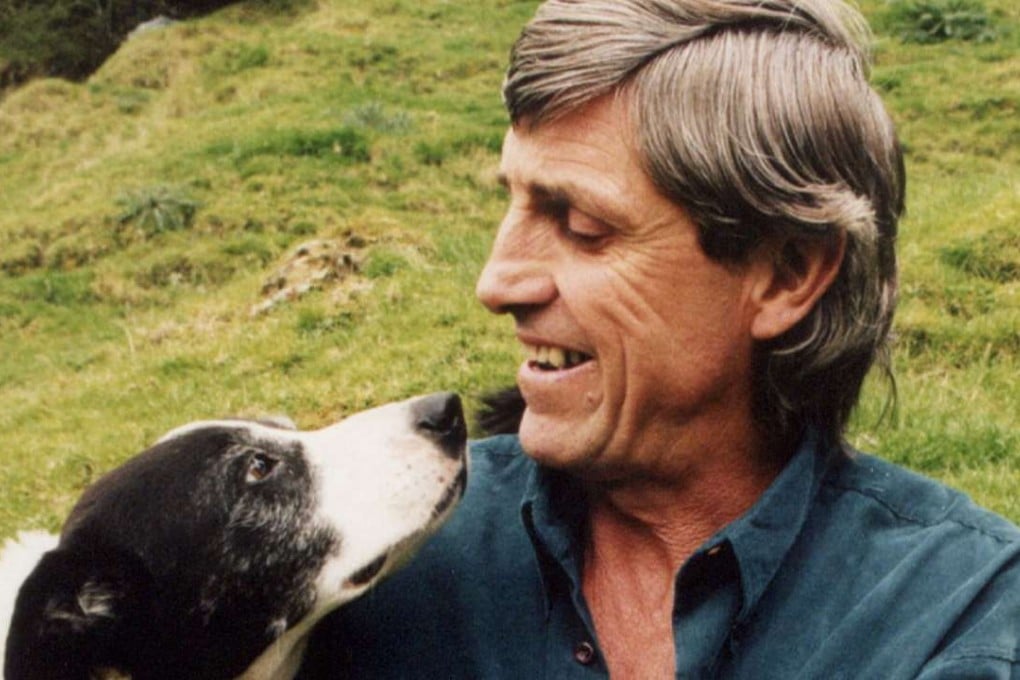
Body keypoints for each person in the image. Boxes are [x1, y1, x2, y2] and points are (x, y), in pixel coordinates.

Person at [301, 0, 1020, 677]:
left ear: (786, 274)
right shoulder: (373, 547)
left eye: (584, 227)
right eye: (510, 201)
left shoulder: (963, 619)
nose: (497, 282)